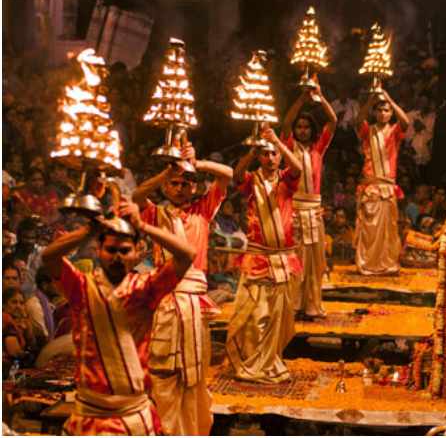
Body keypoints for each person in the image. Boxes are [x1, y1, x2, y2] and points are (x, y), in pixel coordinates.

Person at [40, 201, 197, 435]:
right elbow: (49, 257)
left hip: (134, 416)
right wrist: (89, 231)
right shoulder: (81, 287)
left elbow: (187, 255)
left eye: (125, 251)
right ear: (98, 251)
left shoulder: (147, 288)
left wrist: (142, 225)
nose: (118, 257)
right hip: (90, 416)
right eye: (111, 250)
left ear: (137, 253)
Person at [131, 142, 232, 436]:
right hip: (166, 301)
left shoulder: (204, 210)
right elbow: (136, 196)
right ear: (165, 187)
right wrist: (166, 171)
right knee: (163, 369)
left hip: (195, 301)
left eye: (185, 183)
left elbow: (226, 174)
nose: (179, 188)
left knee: (196, 372)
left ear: (194, 187)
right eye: (173, 183)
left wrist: (196, 164)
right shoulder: (155, 214)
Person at [228, 125, 304, 383]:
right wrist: (252, 151)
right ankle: (252, 364)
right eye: (265, 154)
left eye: (274, 154)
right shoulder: (251, 181)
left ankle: (271, 361)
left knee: (278, 317)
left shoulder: (286, 180)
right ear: (259, 157)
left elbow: (298, 168)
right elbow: (236, 175)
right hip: (258, 257)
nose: (270, 158)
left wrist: (278, 142)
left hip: (283, 259)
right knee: (256, 315)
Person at [280, 77, 337, 321]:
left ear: (312, 130)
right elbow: (285, 123)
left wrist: (320, 97)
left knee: (315, 261)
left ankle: (312, 305)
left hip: (314, 210)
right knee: (296, 258)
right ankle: (293, 304)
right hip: (293, 209)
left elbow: (333, 121)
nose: (302, 130)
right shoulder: (288, 146)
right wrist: (302, 99)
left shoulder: (318, 148)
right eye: (299, 127)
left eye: (306, 127)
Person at [354, 88, 411, 276]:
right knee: (369, 230)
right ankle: (368, 264)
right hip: (371, 186)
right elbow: (357, 120)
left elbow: (406, 122)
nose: (383, 113)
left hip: (387, 187)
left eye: (386, 110)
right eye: (379, 110)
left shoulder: (394, 131)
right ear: (374, 112)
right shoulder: (367, 131)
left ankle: (386, 264)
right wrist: (371, 100)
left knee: (388, 229)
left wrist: (389, 98)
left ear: (391, 113)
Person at [3, 287, 46, 372]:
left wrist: (27, 326)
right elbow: (14, 354)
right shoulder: (6, 321)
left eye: (21, 303)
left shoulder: (21, 323)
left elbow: (35, 342)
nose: (18, 306)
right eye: (14, 302)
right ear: (3, 305)